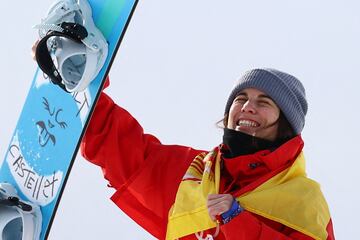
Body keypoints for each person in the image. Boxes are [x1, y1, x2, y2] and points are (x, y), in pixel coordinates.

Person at [81, 68, 335, 239]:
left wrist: (237, 221)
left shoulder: (303, 198)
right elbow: (124, 149)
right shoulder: (196, 175)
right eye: (240, 98)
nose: (247, 107)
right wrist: (81, 83)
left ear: (285, 124)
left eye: (264, 102)